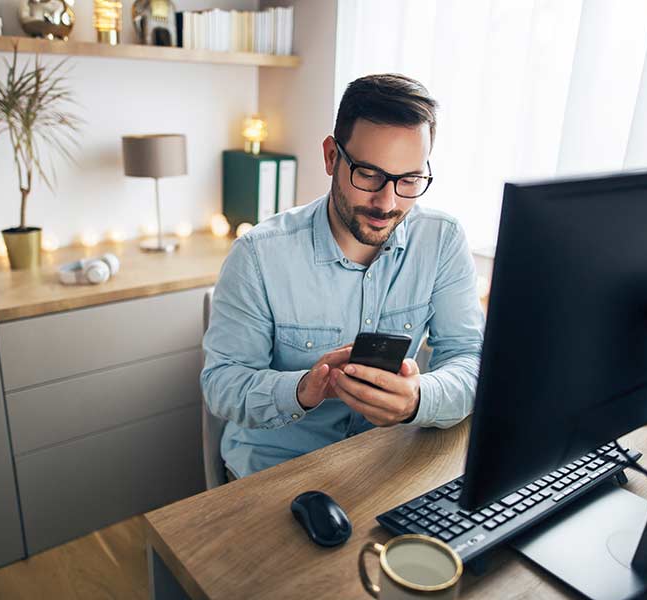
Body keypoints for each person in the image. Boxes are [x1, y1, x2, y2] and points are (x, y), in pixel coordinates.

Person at [202, 74, 485, 479]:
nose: (387, 202)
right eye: (368, 174)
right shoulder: (258, 255)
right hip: (277, 473)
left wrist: (419, 398)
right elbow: (221, 385)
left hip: (387, 466)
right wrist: (302, 390)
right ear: (332, 156)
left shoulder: (442, 240)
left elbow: (470, 358)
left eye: (409, 180)